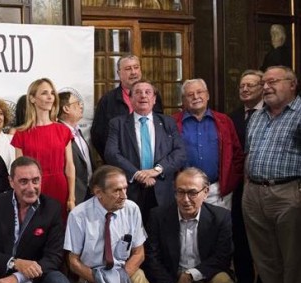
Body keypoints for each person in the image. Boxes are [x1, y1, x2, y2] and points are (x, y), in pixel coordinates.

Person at [65, 165, 161, 283]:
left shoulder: (132, 209)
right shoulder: (78, 215)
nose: (124, 196)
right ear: (98, 192)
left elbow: (139, 253)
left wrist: (117, 282)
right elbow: (73, 262)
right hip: (90, 274)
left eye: (125, 188)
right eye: (117, 190)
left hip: (125, 270)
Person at [242, 66, 301, 283]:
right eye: (264, 83)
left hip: (288, 192)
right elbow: (249, 153)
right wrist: (247, 187)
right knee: (263, 253)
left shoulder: (299, 114)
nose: (266, 87)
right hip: (254, 191)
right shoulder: (257, 116)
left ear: (292, 85)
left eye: (273, 82)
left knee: (293, 254)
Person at [144, 168, 234, 283]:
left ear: (206, 192)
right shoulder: (158, 215)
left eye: (192, 193)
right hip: (171, 278)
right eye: (180, 192)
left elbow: (222, 257)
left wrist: (189, 275)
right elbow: (152, 258)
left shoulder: (221, 217)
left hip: (203, 278)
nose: (185, 199)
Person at [104, 80, 186, 223]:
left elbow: (180, 153)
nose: (143, 96)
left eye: (148, 92)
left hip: (161, 188)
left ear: (154, 99)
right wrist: (137, 174)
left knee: (162, 236)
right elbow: (111, 153)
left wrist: (156, 170)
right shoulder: (117, 123)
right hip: (130, 189)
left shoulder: (168, 122)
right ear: (130, 99)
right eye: (138, 92)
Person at [172, 78, 244, 210]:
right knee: (188, 229)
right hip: (185, 191)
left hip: (218, 191)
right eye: (190, 94)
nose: (196, 97)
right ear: (183, 100)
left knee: (218, 228)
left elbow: (237, 155)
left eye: (200, 92)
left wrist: (230, 183)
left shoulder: (224, 121)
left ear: (207, 95)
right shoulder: (172, 122)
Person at [11, 78, 75, 216]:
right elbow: (19, 171)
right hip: (31, 189)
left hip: (59, 187)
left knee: (58, 231)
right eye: (45, 93)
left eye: (52, 93)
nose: (50, 97)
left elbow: (70, 166)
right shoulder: (21, 134)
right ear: (33, 98)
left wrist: (71, 197)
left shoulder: (63, 131)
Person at [228, 69, 263, 283]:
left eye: (250, 85)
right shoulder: (232, 117)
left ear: (262, 88)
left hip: (263, 186)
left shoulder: (271, 114)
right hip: (239, 186)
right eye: (242, 85)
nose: (245, 89)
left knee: (264, 240)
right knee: (239, 236)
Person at [91, 55, 164, 159]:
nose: (133, 72)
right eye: (128, 69)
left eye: (136, 67)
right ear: (119, 73)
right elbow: (98, 136)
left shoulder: (152, 96)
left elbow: (159, 128)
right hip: (120, 165)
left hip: (152, 161)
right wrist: (114, 159)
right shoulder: (108, 100)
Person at [58, 91, 95, 204]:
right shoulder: (58, 132)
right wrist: (71, 197)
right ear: (66, 108)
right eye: (77, 103)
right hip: (72, 196)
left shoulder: (77, 131)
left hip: (89, 192)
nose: (81, 105)